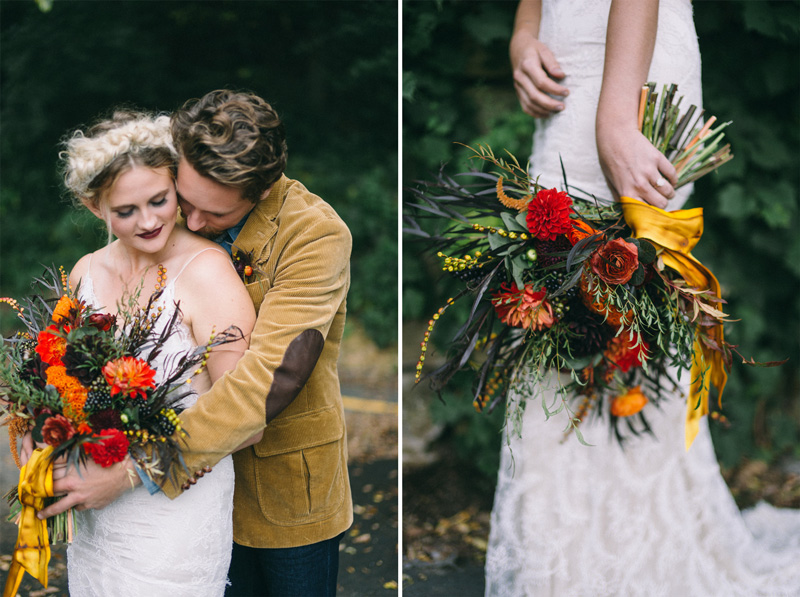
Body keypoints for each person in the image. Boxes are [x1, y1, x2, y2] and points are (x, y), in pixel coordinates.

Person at [485, 1, 800, 595]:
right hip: (569, 59)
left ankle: (618, 569)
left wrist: (613, 113)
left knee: (604, 305)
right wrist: (523, 37)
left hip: (626, 60)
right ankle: (579, 565)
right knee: (559, 308)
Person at [41, 90, 354, 597]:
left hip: (279, 493)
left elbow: (272, 380)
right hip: (166, 504)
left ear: (258, 192)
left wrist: (130, 471)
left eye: (214, 215)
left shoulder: (315, 236)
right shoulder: (126, 243)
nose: (190, 223)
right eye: (183, 200)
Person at [60, 110, 259, 595]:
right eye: (126, 211)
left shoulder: (208, 272)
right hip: (95, 519)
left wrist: (128, 475)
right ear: (94, 207)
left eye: (159, 200)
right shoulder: (85, 272)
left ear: (176, 186)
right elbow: (58, 379)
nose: (149, 221)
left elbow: (245, 419)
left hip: (174, 513)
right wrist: (39, 436)